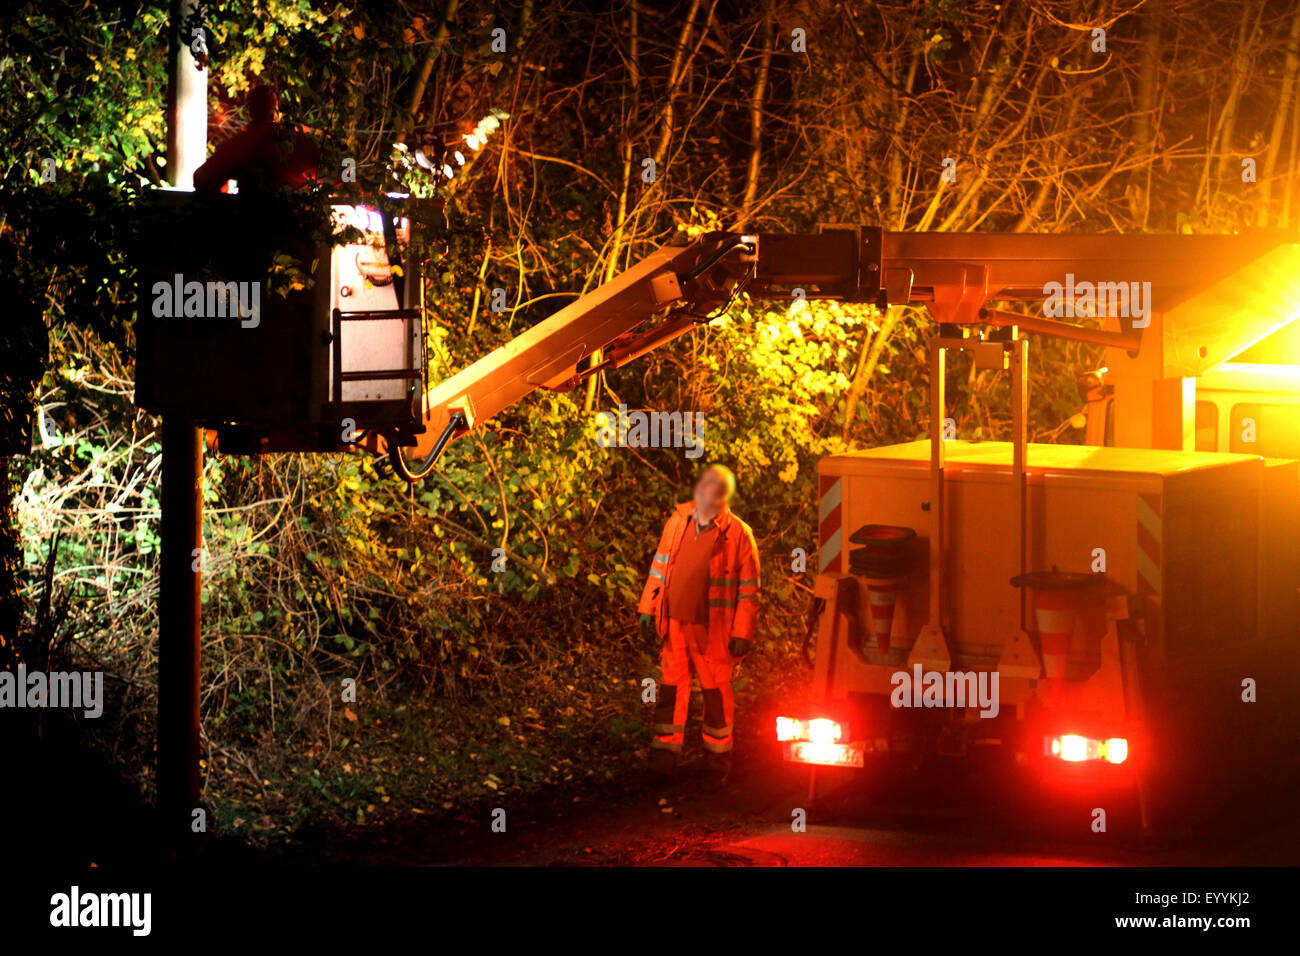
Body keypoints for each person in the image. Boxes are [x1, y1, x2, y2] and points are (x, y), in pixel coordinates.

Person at [637, 464, 760, 786]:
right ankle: (664, 755)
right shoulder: (679, 521)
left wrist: (741, 632)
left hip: (714, 631)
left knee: (716, 692)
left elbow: (749, 590)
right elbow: (660, 566)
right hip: (675, 622)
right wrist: (648, 607)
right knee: (671, 688)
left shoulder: (738, 534)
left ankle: (717, 760)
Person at [193, 85, 320, 194]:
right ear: (276, 111)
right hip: (293, 217)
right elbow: (331, 164)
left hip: (251, 216)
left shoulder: (242, 143)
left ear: (250, 111)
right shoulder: (294, 140)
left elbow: (201, 178)